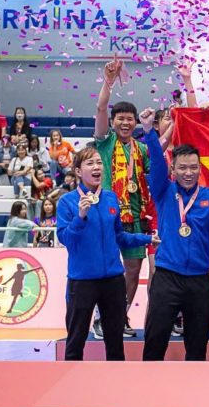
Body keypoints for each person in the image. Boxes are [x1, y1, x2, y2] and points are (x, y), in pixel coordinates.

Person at [139, 108, 209, 361]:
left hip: (199, 281)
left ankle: (195, 386)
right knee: (155, 342)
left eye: (193, 168)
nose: (188, 173)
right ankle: (147, 383)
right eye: (182, 168)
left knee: (197, 348)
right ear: (173, 170)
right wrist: (148, 131)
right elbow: (156, 162)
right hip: (167, 278)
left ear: (199, 169)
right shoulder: (163, 191)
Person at [56, 147, 154, 360]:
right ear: (78, 171)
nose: (96, 167)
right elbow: (66, 239)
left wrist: (146, 239)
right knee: (75, 342)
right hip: (82, 282)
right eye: (90, 163)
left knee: (116, 343)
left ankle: (116, 380)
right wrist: (80, 217)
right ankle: (71, 379)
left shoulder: (110, 198)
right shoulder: (67, 202)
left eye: (99, 163)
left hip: (113, 281)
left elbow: (119, 236)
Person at [93, 58, 153, 338]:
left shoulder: (142, 149)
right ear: (113, 121)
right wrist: (108, 81)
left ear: (136, 121)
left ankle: (120, 317)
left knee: (133, 270)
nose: (126, 122)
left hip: (136, 216)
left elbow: (152, 176)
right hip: (108, 214)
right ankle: (100, 318)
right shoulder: (105, 142)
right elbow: (101, 107)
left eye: (130, 118)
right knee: (106, 269)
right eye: (121, 118)